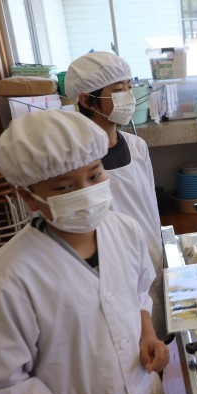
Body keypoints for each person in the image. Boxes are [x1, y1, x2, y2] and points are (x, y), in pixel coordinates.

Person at [0, 110, 174, 394]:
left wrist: (147, 335)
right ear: (29, 197)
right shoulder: (9, 278)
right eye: (64, 188)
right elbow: (1, 385)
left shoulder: (126, 230)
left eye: (94, 176)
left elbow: (138, 292)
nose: (85, 192)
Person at [64, 52, 169, 342]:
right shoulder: (76, 161)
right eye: (118, 90)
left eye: (129, 87)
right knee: (123, 343)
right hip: (110, 268)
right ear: (87, 100)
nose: (128, 96)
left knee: (156, 336)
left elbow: (149, 205)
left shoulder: (136, 146)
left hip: (151, 254)